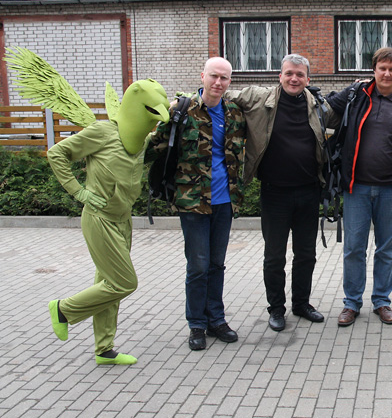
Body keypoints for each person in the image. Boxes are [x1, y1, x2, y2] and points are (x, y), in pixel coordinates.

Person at [47, 79, 170, 365]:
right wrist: (79, 191)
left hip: (123, 219)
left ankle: (104, 349)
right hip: (99, 219)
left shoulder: (139, 141)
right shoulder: (102, 132)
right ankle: (64, 309)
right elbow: (57, 153)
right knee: (124, 282)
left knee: (106, 283)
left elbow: (156, 138)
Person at [226, 54, 338, 332]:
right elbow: (223, 92)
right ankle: (276, 308)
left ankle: (301, 304)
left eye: (300, 75)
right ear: (280, 76)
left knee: (306, 254)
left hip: (309, 191)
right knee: (274, 256)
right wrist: (191, 97)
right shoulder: (259, 98)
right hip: (275, 193)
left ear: (308, 79)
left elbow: (343, 113)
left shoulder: (317, 105)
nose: (294, 79)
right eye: (289, 73)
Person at [147, 57, 245, 351]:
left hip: (224, 201)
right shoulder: (181, 111)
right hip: (192, 202)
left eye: (224, 78)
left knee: (217, 264)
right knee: (198, 265)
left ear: (230, 82)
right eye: (214, 76)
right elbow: (154, 145)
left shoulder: (235, 113)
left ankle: (216, 319)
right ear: (203, 76)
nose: (218, 83)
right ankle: (196, 324)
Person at [326, 47, 392, 326]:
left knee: (386, 249)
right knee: (354, 248)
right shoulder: (357, 96)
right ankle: (351, 302)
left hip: (391, 190)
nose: (386, 73)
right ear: (374, 69)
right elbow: (326, 106)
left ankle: (382, 300)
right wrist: (349, 87)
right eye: (382, 67)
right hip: (356, 187)